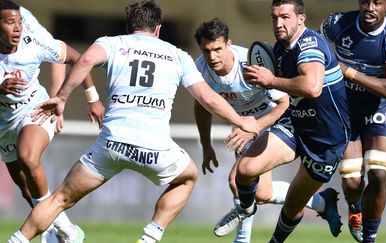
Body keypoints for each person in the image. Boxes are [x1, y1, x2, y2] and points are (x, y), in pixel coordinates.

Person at [7, 1, 260, 243]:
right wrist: (240, 120)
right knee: (187, 177)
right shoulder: (177, 55)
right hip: (155, 149)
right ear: (158, 29)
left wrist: (61, 97)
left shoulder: (112, 43)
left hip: (111, 145)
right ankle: (149, 237)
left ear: (129, 27)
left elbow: (83, 60)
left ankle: (16, 240)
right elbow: (208, 98)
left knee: (57, 199)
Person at [194, 17, 344, 242]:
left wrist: (253, 127)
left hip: (277, 121)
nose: (212, 57)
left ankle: (242, 239)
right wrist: (206, 145)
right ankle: (322, 202)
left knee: (237, 180)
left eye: (217, 49)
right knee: (261, 194)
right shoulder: (201, 68)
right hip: (248, 127)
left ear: (228, 44)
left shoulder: (250, 63)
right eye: (207, 51)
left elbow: (284, 103)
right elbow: (203, 104)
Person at [0, 1, 104, 242]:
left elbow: (76, 58)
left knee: (28, 156)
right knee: (26, 189)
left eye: (18, 22)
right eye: (9, 23)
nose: (17, 28)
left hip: (35, 108)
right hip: (4, 123)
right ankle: (65, 231)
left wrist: (88, 98)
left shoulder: (32, 41)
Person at [319, 0, 386, 242]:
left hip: (378, 108)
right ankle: (355, 207)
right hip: (345, 109)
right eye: (365, 2)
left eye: (377, 3)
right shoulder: (337, 24)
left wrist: (348, 71)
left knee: (379, 176)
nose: (370, 7)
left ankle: (370, 237)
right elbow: (314, 50)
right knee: (351, 183)